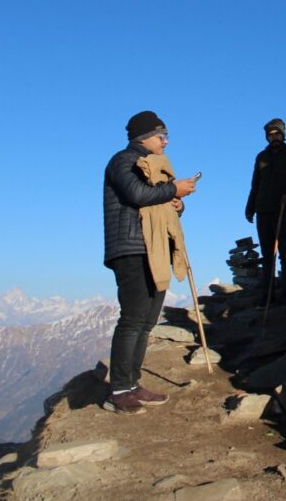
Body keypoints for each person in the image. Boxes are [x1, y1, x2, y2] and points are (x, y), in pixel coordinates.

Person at [103, 111, 196, 414]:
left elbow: (153, 201)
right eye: (161, 135)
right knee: (132, 319)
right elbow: (137, 193)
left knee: (146, 321)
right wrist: (173, 189)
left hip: (152, 249)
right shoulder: (124, 161)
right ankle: (119, 390)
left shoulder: (150, 165)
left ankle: (132, 383)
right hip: (131, 249)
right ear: (144, 137)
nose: (166, 142)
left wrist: (176, 205)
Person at [245, 118, 286, 303]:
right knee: (267, 254)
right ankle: (268, 295)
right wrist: (250, 208)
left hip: (283, 210)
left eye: (277, 133)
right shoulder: (261, 157)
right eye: (270, 135)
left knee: (285, 252)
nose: (274, 137)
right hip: (263, 209)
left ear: (283, 134)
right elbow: (255, 185)